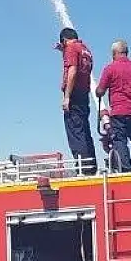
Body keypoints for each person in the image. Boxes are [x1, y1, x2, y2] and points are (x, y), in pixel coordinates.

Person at [95, 39, 131, 172]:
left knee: (120, 142)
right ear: (127, 52)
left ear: (114, 53)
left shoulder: (110, 68)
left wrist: (98, 92)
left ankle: (126, 171)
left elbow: (100, 90)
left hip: (119, 113)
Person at [55, 27, 98, 175]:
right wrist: (64, 51)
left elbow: (72, 71)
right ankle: (90, 167)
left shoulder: (71, 48)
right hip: (83, 94)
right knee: (84, 131)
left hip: (74, 94)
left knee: (75, 132)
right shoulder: (85, 49)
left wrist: (67, 97)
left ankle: (83, 168)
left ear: (65, 40)